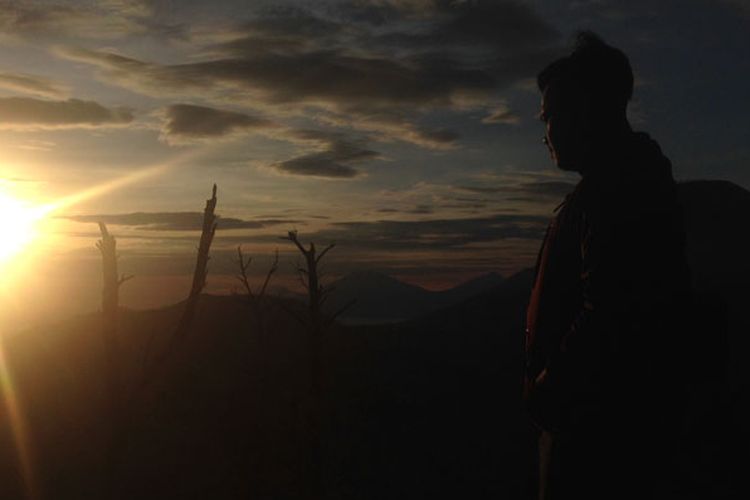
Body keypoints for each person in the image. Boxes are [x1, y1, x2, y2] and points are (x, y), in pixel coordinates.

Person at [524, 32, 694, 499]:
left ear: (589, 109)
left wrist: (549, 389)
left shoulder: (623, 190)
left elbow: (613, 312)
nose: (546, 134)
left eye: (551, 116)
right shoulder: (615, 185)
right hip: (590, 429)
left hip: (599, 443)